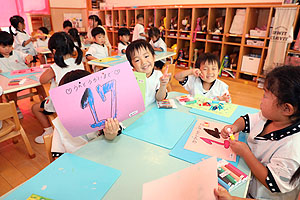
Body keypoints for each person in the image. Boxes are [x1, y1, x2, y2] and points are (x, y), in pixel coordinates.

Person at [221, 65, 300, 199]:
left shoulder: (292, 147)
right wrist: (234, 127)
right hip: (246, 176)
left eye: (265, 95)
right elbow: (247, 120)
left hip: (259, 195)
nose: (261, 100)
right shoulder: (272, 117)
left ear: (286, 109)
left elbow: (272, 182)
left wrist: (246, 153)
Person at [51, 69, 123, 158]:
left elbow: (117, 132)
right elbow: (57, 155)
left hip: (105, 157)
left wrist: (111, 134)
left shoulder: (103, 112)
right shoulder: (60, 123)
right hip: (78, 165)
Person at [31, 32, 84, 144]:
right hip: (78, 101)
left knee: (35, 108)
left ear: (54, 51)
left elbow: (42, 80)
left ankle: (48, 131)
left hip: (61, 105)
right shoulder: (79, 62)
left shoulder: (55, 67)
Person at [0, 31, 40, 118]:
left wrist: (28, 57)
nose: (7, 49)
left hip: (24, 77)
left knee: (39, 83)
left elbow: (25, 56)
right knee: (12, 92)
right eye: (4, 47)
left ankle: (43, 104)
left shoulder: (16, 53)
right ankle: (15, 107)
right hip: (9, 82)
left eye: (10, 46)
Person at [126, 39, 170, 107]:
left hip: (151, 112)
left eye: (146, 56)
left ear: (153, 57)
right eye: (137, 60)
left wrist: (163, 85)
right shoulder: (130, 77)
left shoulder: (158, 75)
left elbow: (159, 98)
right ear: (132, 65)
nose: (143, 62)